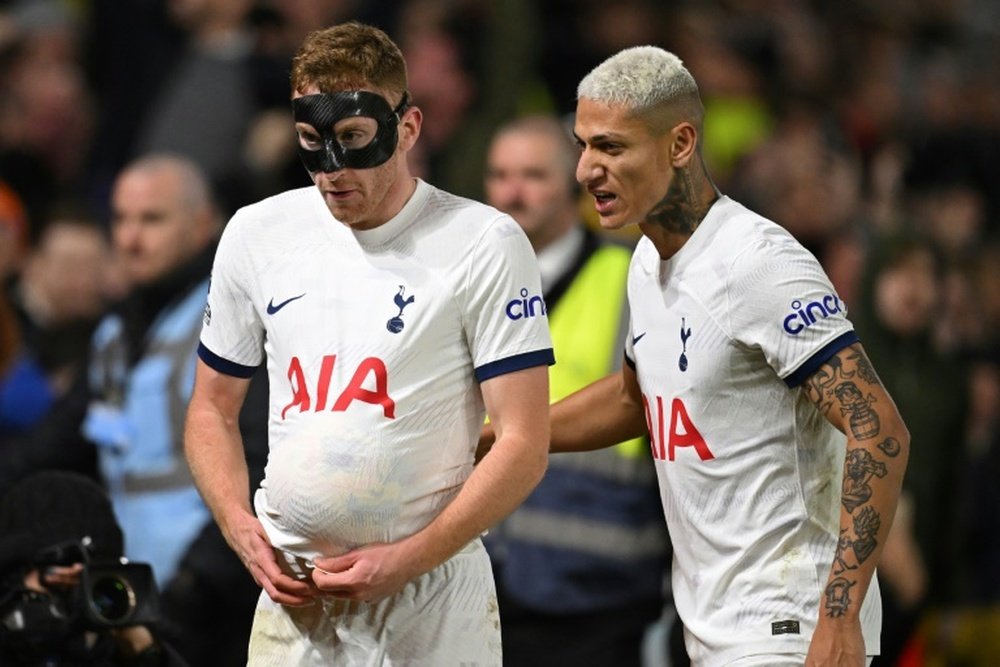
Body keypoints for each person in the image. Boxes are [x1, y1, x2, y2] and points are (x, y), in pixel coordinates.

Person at [480, 46, 910, 666]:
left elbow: (880, 431)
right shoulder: (648, 261)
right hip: (712, 632)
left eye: (611, 147)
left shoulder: (759, 263)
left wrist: (840, 621)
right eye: (581, 146)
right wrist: (499, 438)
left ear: (680, 143)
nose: (585, 171)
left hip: (788, 632)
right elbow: (635, 398)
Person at [184, 21, 553, 666]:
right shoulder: (256, 234)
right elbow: (210, 408)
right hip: (294, 601)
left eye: (354, 139)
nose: (331, 170)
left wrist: (405, 561)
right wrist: (244, 535)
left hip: (431, 600)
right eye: (310, 141)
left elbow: (524, 441)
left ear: (407, 128)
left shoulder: (482, 241)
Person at [0, 154, 268, 667]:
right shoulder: (117, 330)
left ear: (203, 223)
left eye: (152, 219)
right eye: (120, 219)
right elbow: (50, 448)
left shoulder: (233, 318)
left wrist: (197, 586)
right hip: (124, 600)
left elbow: (259, 465)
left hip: (213, 608)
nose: (130, 238)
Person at [482, 114, 669, 666]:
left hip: (598, 589)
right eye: (499, 175)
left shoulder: (637, 279)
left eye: (533, 175)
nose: (512, 192)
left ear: (573, 185)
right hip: (476, 583)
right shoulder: (462, 285)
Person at [0, 470, 188, 666]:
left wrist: (145, 652)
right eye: (59, 582)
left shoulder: (118, 648)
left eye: (88, 582)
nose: (75, 598)